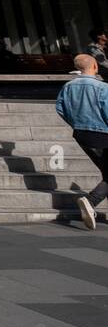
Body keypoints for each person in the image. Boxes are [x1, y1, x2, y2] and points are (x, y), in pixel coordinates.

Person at [56, 54, 108, 229]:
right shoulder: (102, 87)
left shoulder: (68, 87)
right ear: (95, 66)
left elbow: (60, 108)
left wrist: (76, 123)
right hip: (103, 134)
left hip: (81, 134)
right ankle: (90, 201)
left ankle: (91, 203)